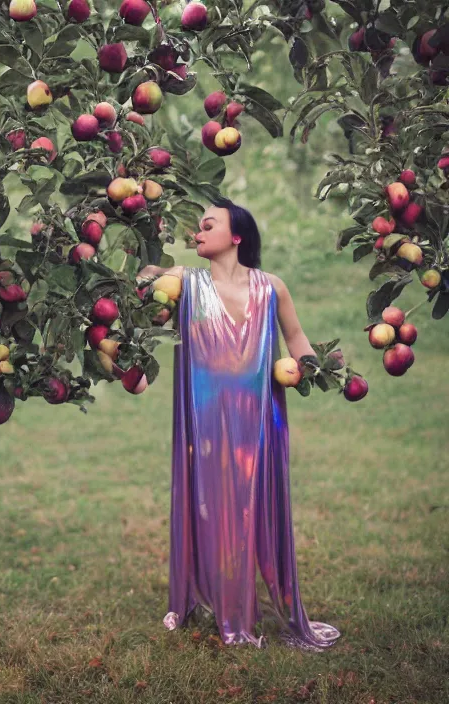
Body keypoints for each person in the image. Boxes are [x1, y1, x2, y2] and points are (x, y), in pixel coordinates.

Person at [138, 198, 341, 651]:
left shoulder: (271, 288)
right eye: (198, 227)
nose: (199, 232)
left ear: (236, 236)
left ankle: (245, 600)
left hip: (258, 415)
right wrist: (147, 275)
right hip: (203, 417)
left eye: (210, 224)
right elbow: (147, 301)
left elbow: (295, 336)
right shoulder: (184, 281)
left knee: (253, 505)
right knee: (210, 504)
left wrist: (315, 367)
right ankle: (217, 599)